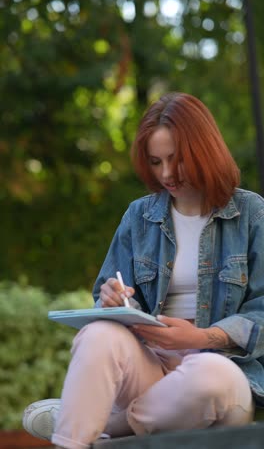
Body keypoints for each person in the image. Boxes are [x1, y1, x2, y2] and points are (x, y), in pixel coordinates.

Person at [23, 92, 264, 449]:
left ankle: (100, 422)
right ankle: (71, 442)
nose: (166, 174)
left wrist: (200, 338)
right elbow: (111, 304)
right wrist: (113, 300)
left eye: (176, 160)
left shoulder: (252, 213)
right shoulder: (140, 216)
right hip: (151, 374)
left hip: (221, 380)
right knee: (99, 334)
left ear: (204, 151)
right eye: (155, 162)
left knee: (211, 374)